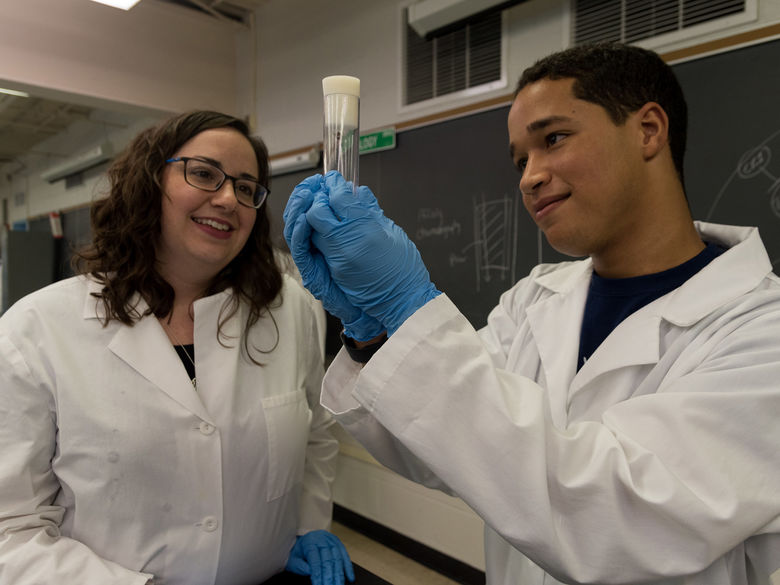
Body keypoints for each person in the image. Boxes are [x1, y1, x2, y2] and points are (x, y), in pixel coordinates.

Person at [283, 43, 780, 585]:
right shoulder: (533, 301)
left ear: (649, 131)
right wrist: (373, 332)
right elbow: (442, 451)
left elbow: (617, 520)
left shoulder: (760, 329)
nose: (529, 177)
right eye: (521, 159)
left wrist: (411, 309)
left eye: (554, 139)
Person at [0, 111, 354, 585]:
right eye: (204, 174)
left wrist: (308, 523)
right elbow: (12, 528)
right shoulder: (38, 328)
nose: (229, 198)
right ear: (149, 185)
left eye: (247, 188)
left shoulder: (290, 310)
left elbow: (316, 435)